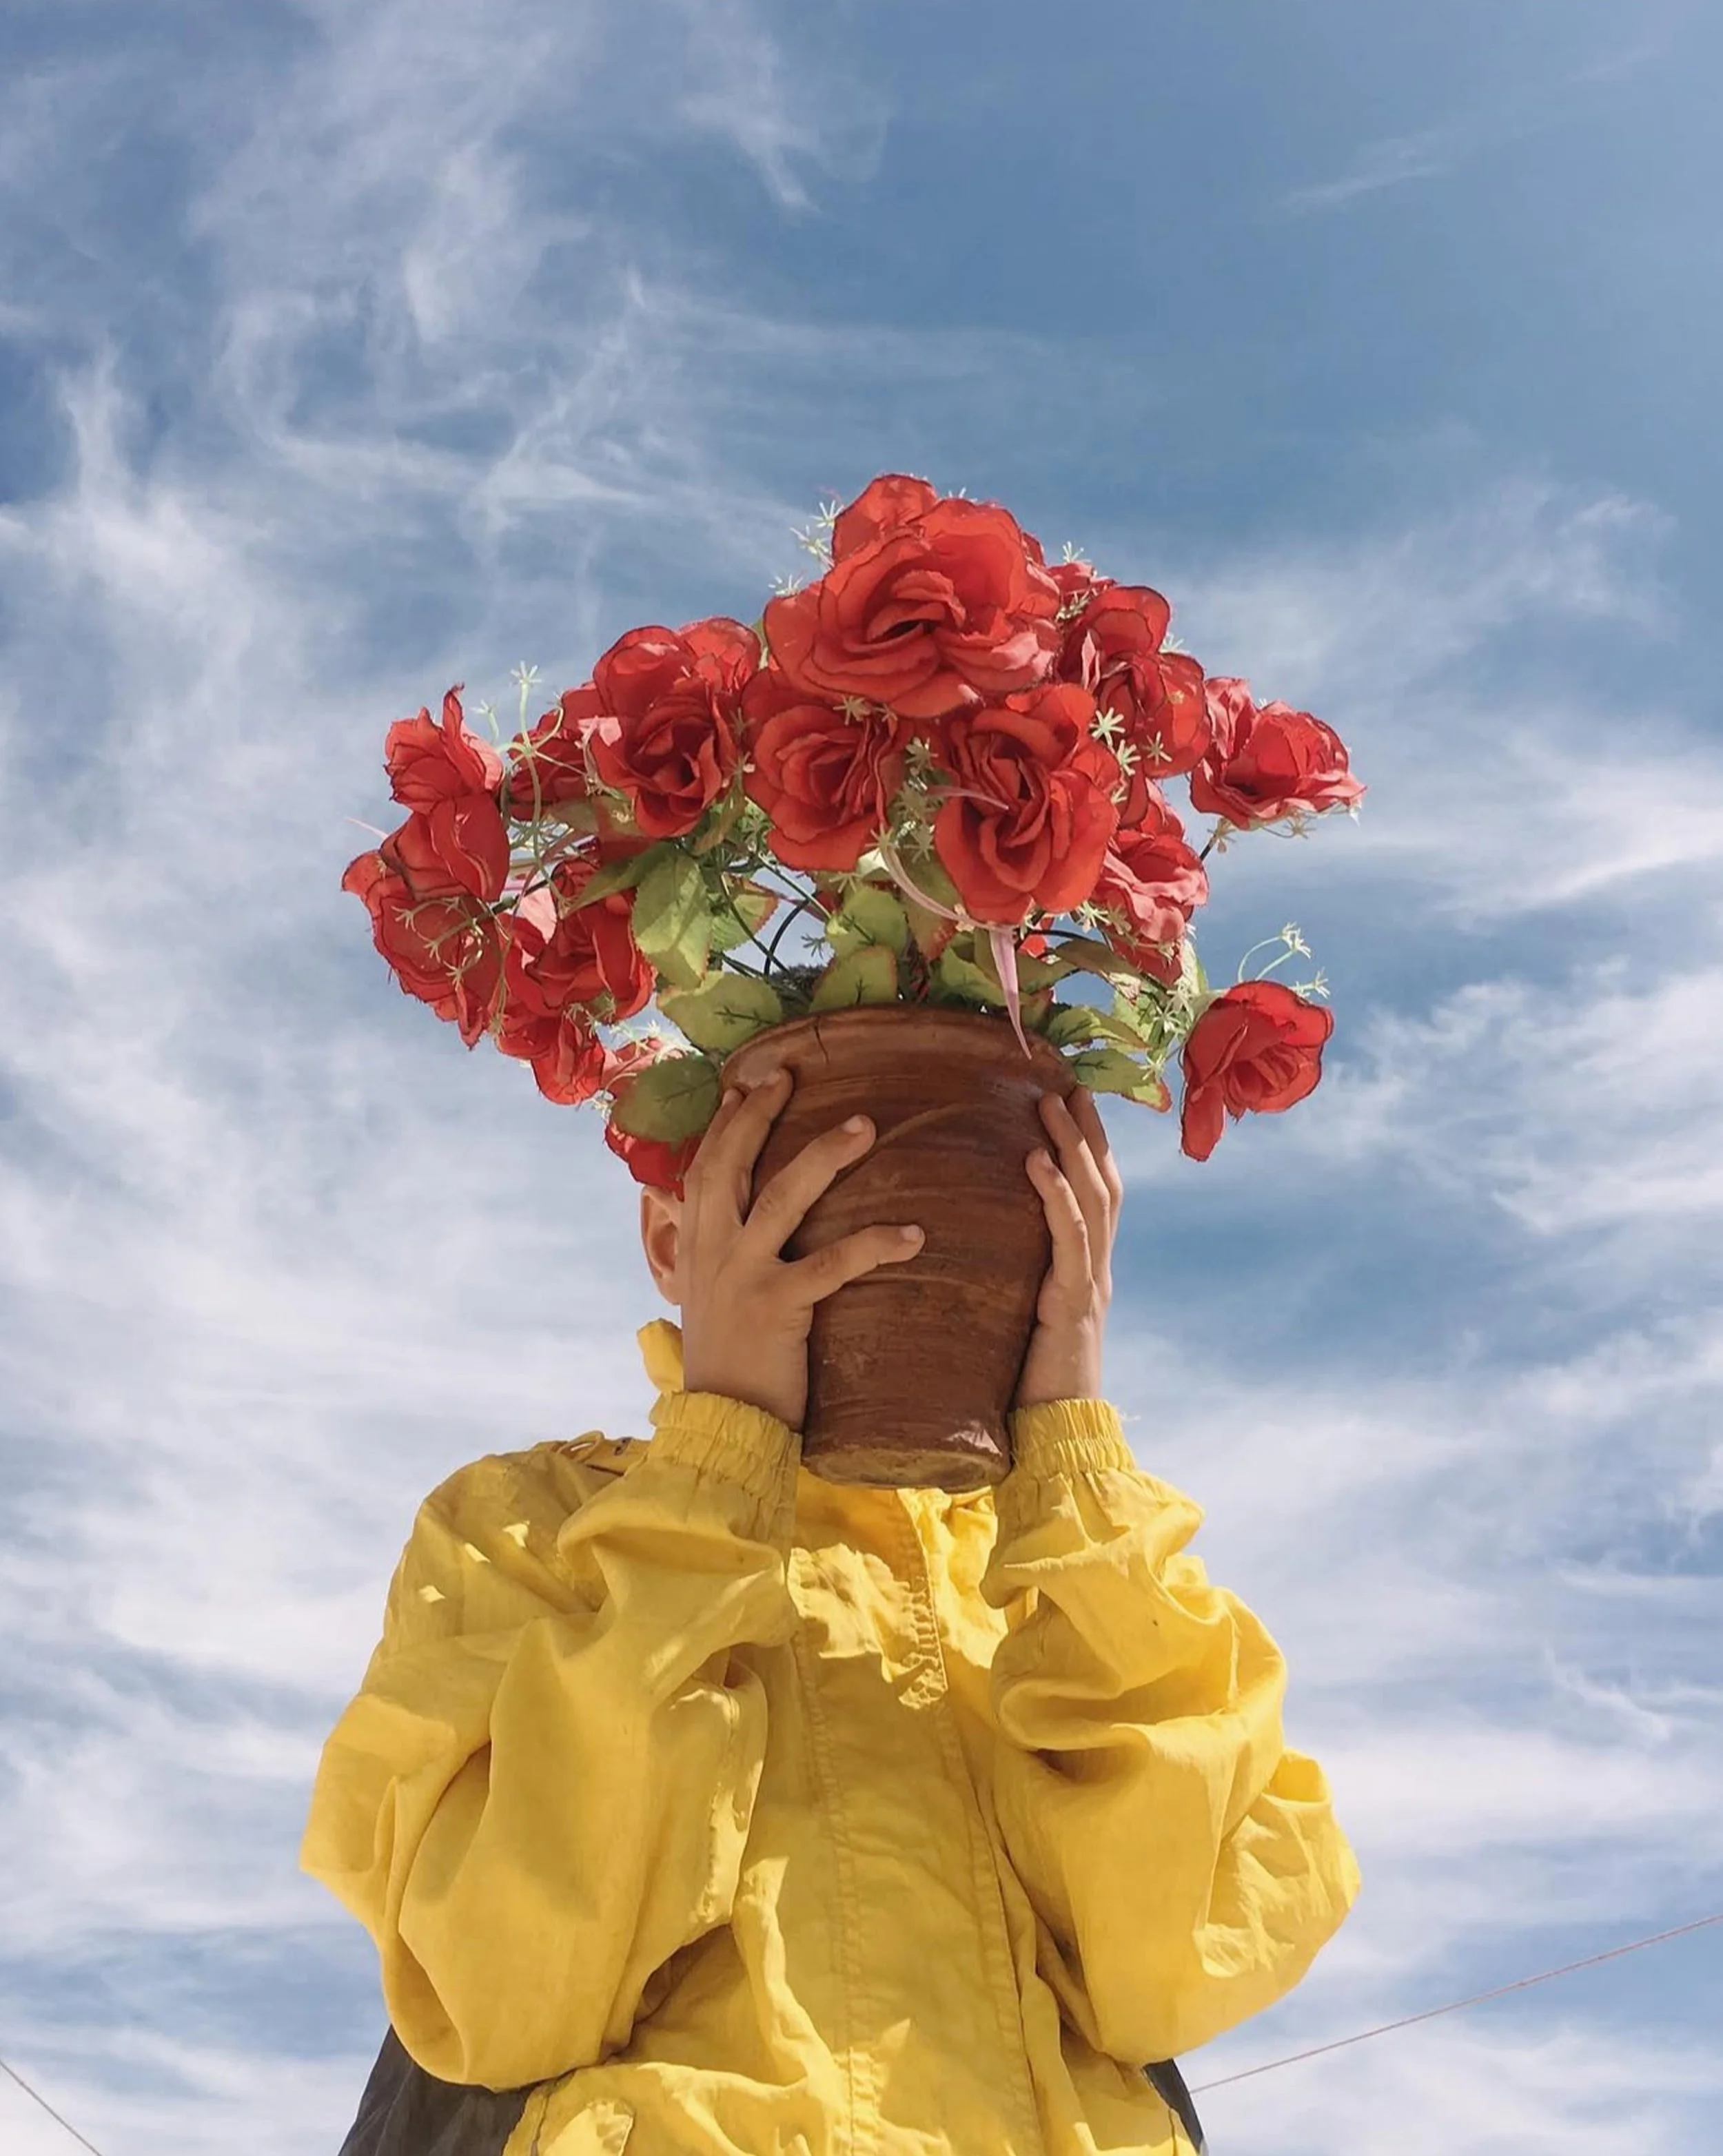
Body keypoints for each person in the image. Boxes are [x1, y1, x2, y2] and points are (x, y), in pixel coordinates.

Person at [304, 1071, 1359, 2155]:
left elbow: (1175, 1970)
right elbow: (502, 1988)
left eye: (978, 1225)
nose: (897, 1252)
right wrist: (721, 1461)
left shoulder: (1068, 1572)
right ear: (675, 1243)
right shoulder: (530, 1525)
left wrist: (1072, 1458)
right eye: (820, 1212)